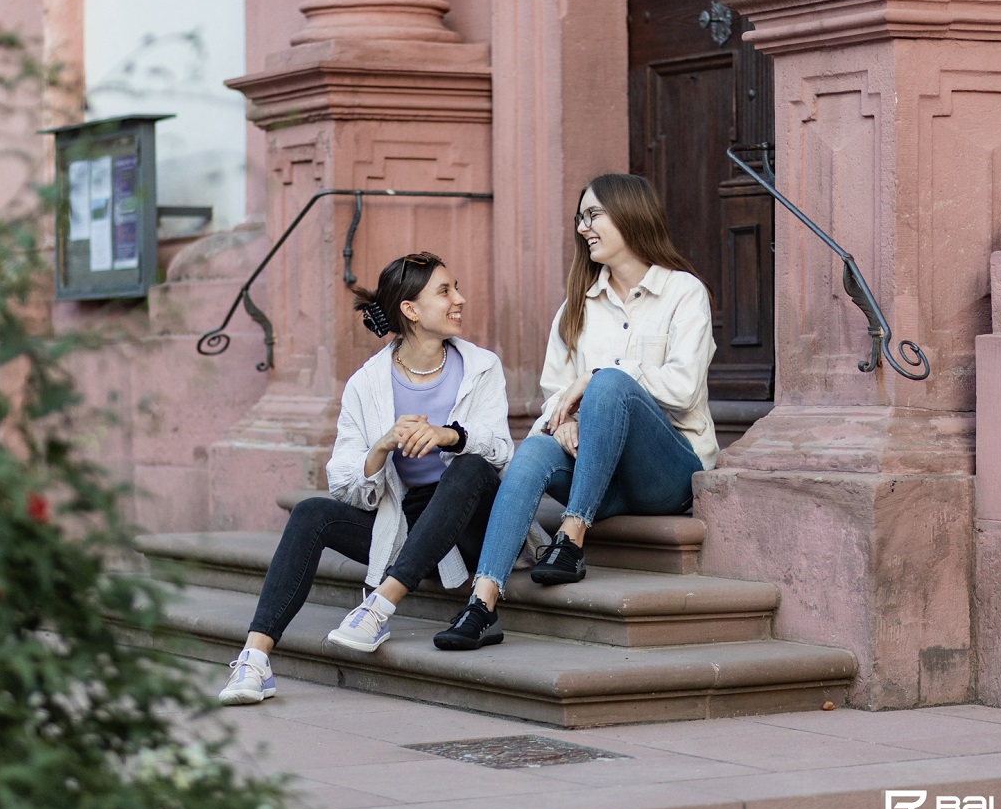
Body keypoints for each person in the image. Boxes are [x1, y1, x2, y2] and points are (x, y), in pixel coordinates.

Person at [433, 173, 718, 651]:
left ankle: (572, 532)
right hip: (598, 471)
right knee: (534, 450)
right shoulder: (575, 308)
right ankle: (482, 603)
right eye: (580, 218)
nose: (583, 228)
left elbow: (684, 390)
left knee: (607, 381)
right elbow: (552, 397)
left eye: (593, 215)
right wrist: (562, 422)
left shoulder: (683, 293)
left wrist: (596, 380)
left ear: (630, 215)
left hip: (666, 471)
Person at [219, 251, 513, 704]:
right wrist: (381, 446)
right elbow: (347, 484)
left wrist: (448, 435)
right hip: (409, 521)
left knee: (470, 466)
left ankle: (378, 607)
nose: (460, 299)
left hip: (478, 520)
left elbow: (500, 449)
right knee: (311, 512)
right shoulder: (367, 383)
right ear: (410, 311)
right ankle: (255, 660)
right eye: (445, 291)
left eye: (455, 288)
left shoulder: (481, 366)